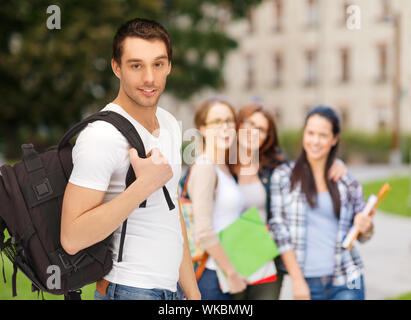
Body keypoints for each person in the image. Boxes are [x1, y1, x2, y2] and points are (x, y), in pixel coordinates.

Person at [60, 18, 200, 300]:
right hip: (127, 289)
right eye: (137, 65)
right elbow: (71, 237)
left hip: (173, 290)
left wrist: (193, 293)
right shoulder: (102, 135)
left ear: (169, 66)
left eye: (158, 64)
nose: (149, 78)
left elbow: (171, 217)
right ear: (117, 67)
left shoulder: (170, 123)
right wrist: (141, 186)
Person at [231, 102, 348, 300]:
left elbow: (308, 166)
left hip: (264, 259)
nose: (252, 132)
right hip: (224, 259)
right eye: (248, 123)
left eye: (260, 129)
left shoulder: (275, 165)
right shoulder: (219, 162)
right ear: (238, 125)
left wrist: (336, 162)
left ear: (268, 137)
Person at [269, 105, 374, 300]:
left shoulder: (346, 182)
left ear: (334, 139)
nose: (315, 141)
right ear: (304, 135)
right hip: (307, 281)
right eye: (310, 133)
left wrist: (366, 227)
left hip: (347, 278)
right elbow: (279, 231)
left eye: (323, 135)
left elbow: (362, 234)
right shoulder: (283, 177)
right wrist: (297, 280)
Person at [185, 97, 247, 300]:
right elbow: (204, 230)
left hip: (225, 274)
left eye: (229, 121)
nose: (225, 127)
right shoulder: (205, 166)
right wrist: (231, 272)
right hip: (211, 275)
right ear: (203, 128)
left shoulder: (224, 167)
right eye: (217, 122)